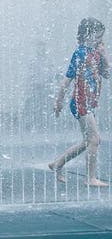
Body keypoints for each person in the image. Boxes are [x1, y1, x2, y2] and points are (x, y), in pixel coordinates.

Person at [49, 17, 110, 187]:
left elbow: (107, 74)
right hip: (80, 102)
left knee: (87, 141)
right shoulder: (80, 53)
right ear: (87, 35)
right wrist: (58, 101)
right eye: (98, 36)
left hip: (90, 103)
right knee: (95, 139)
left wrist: (104, 56)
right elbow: (67, 80)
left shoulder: (95, 54)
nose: (100, 39)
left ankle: (57, 164)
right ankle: (90, 178)